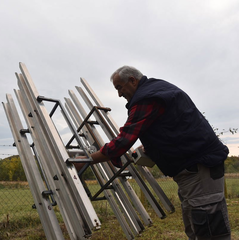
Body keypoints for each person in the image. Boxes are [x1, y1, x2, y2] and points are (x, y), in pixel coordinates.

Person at [76, 66, 231, 240]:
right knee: (196, 227)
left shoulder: (146, 98)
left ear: (133, 80)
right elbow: (174, 128)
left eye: (119, 87)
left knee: (209, 229)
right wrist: (152, 147)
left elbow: (123, 141)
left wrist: (88, 160)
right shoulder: (157, 89)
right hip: (192, 171)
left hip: (200, 169)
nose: (119, 94)